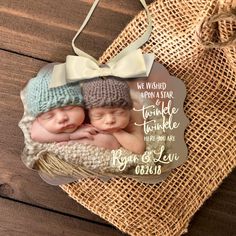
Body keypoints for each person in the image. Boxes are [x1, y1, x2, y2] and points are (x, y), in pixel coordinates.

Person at [25, 63, 121, 150]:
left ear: (82, 106)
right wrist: (70, 136)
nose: (62, 118)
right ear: (38, 119)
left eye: (68, 108)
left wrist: (77, 141)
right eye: (49, 116)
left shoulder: (94, 116)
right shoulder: (38, 125)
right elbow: (35, 134)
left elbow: (113, 143)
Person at [82, 76, 145, 154]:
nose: (110, 120)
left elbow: (139, 148)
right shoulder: (86, 114)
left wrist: (116, 132)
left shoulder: (133, 114)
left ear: (128, 110)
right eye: (99, 115)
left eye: (118, 113)